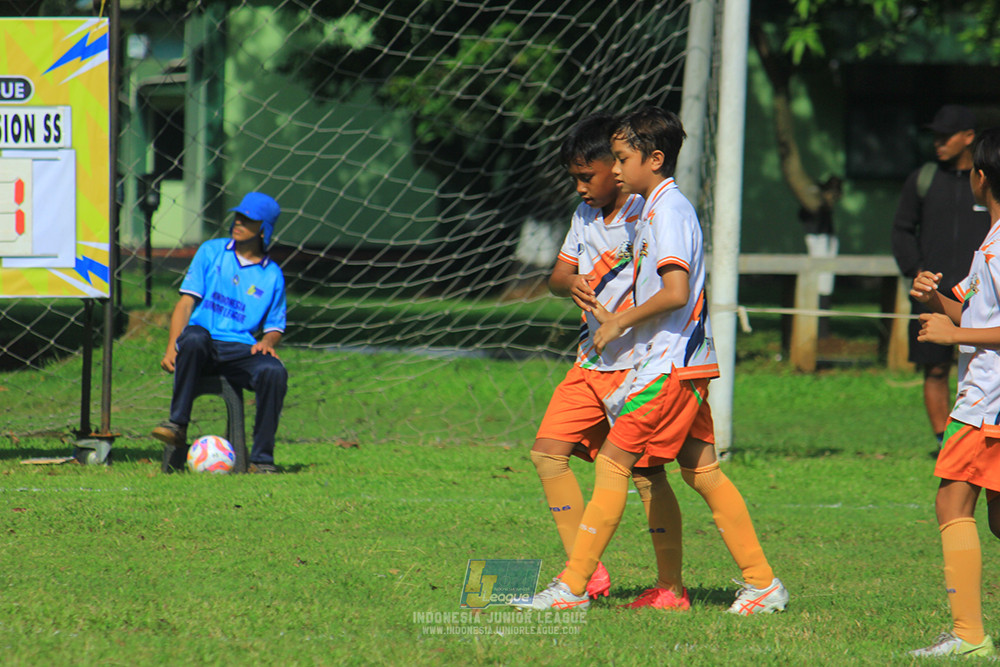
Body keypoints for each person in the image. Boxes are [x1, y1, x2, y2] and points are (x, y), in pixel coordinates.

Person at [526, 107, 788, 614]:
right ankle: (759, 583)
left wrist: (619, 322)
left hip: (665, 365)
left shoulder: (666, 211)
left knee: (615, 464)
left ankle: (574, 588)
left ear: (653, 158)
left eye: (622, 158)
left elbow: (675, 291)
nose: (618, 169)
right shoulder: (655, 207)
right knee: (703, 472)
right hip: (674, 364)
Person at [528, 113, 688, 610]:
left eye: (587, 175)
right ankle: (586, 570)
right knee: (547, 452)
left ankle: (669, 584)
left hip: (641, 365)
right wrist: (567, 283)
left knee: (648, 475)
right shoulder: (584, 218)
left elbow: (676, 287)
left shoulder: (652, 212)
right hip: (592, 361)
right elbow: (558, 274)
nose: (581, 187)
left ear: (617, 167)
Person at [907, 127, 1000, 659]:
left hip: (987, 402)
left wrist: (954, 335)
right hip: (985, 398)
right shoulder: (990, 236)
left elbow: (975, 329)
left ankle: (968, 637)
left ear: (981, 177)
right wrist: (939, 299)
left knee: (952, 499)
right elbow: (977, 313)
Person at [152, 192, 288, 475]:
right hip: (202, 348)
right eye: (237, 216)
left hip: (240, 351)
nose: (237, 222)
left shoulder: (272, 274)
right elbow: (186, 303)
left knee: (274, 371)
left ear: (263, 230)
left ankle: (261, 460)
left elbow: (275, 326)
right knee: (194, 336)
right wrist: (171, 347)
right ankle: (177, 425)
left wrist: (267, 341)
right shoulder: (211, 251)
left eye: (247, 219)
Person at [891, 105, 991, 453]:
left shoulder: (987, 184)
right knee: (934, 369)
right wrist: (917, 271)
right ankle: (943, 439)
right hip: (933, 293)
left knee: (981, 363)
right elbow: (902, 229)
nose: (938, 143)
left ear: (968, 138)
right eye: (934, 136)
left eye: (945, 136)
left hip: (982, 294)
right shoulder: (924, 178)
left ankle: (979, 432)